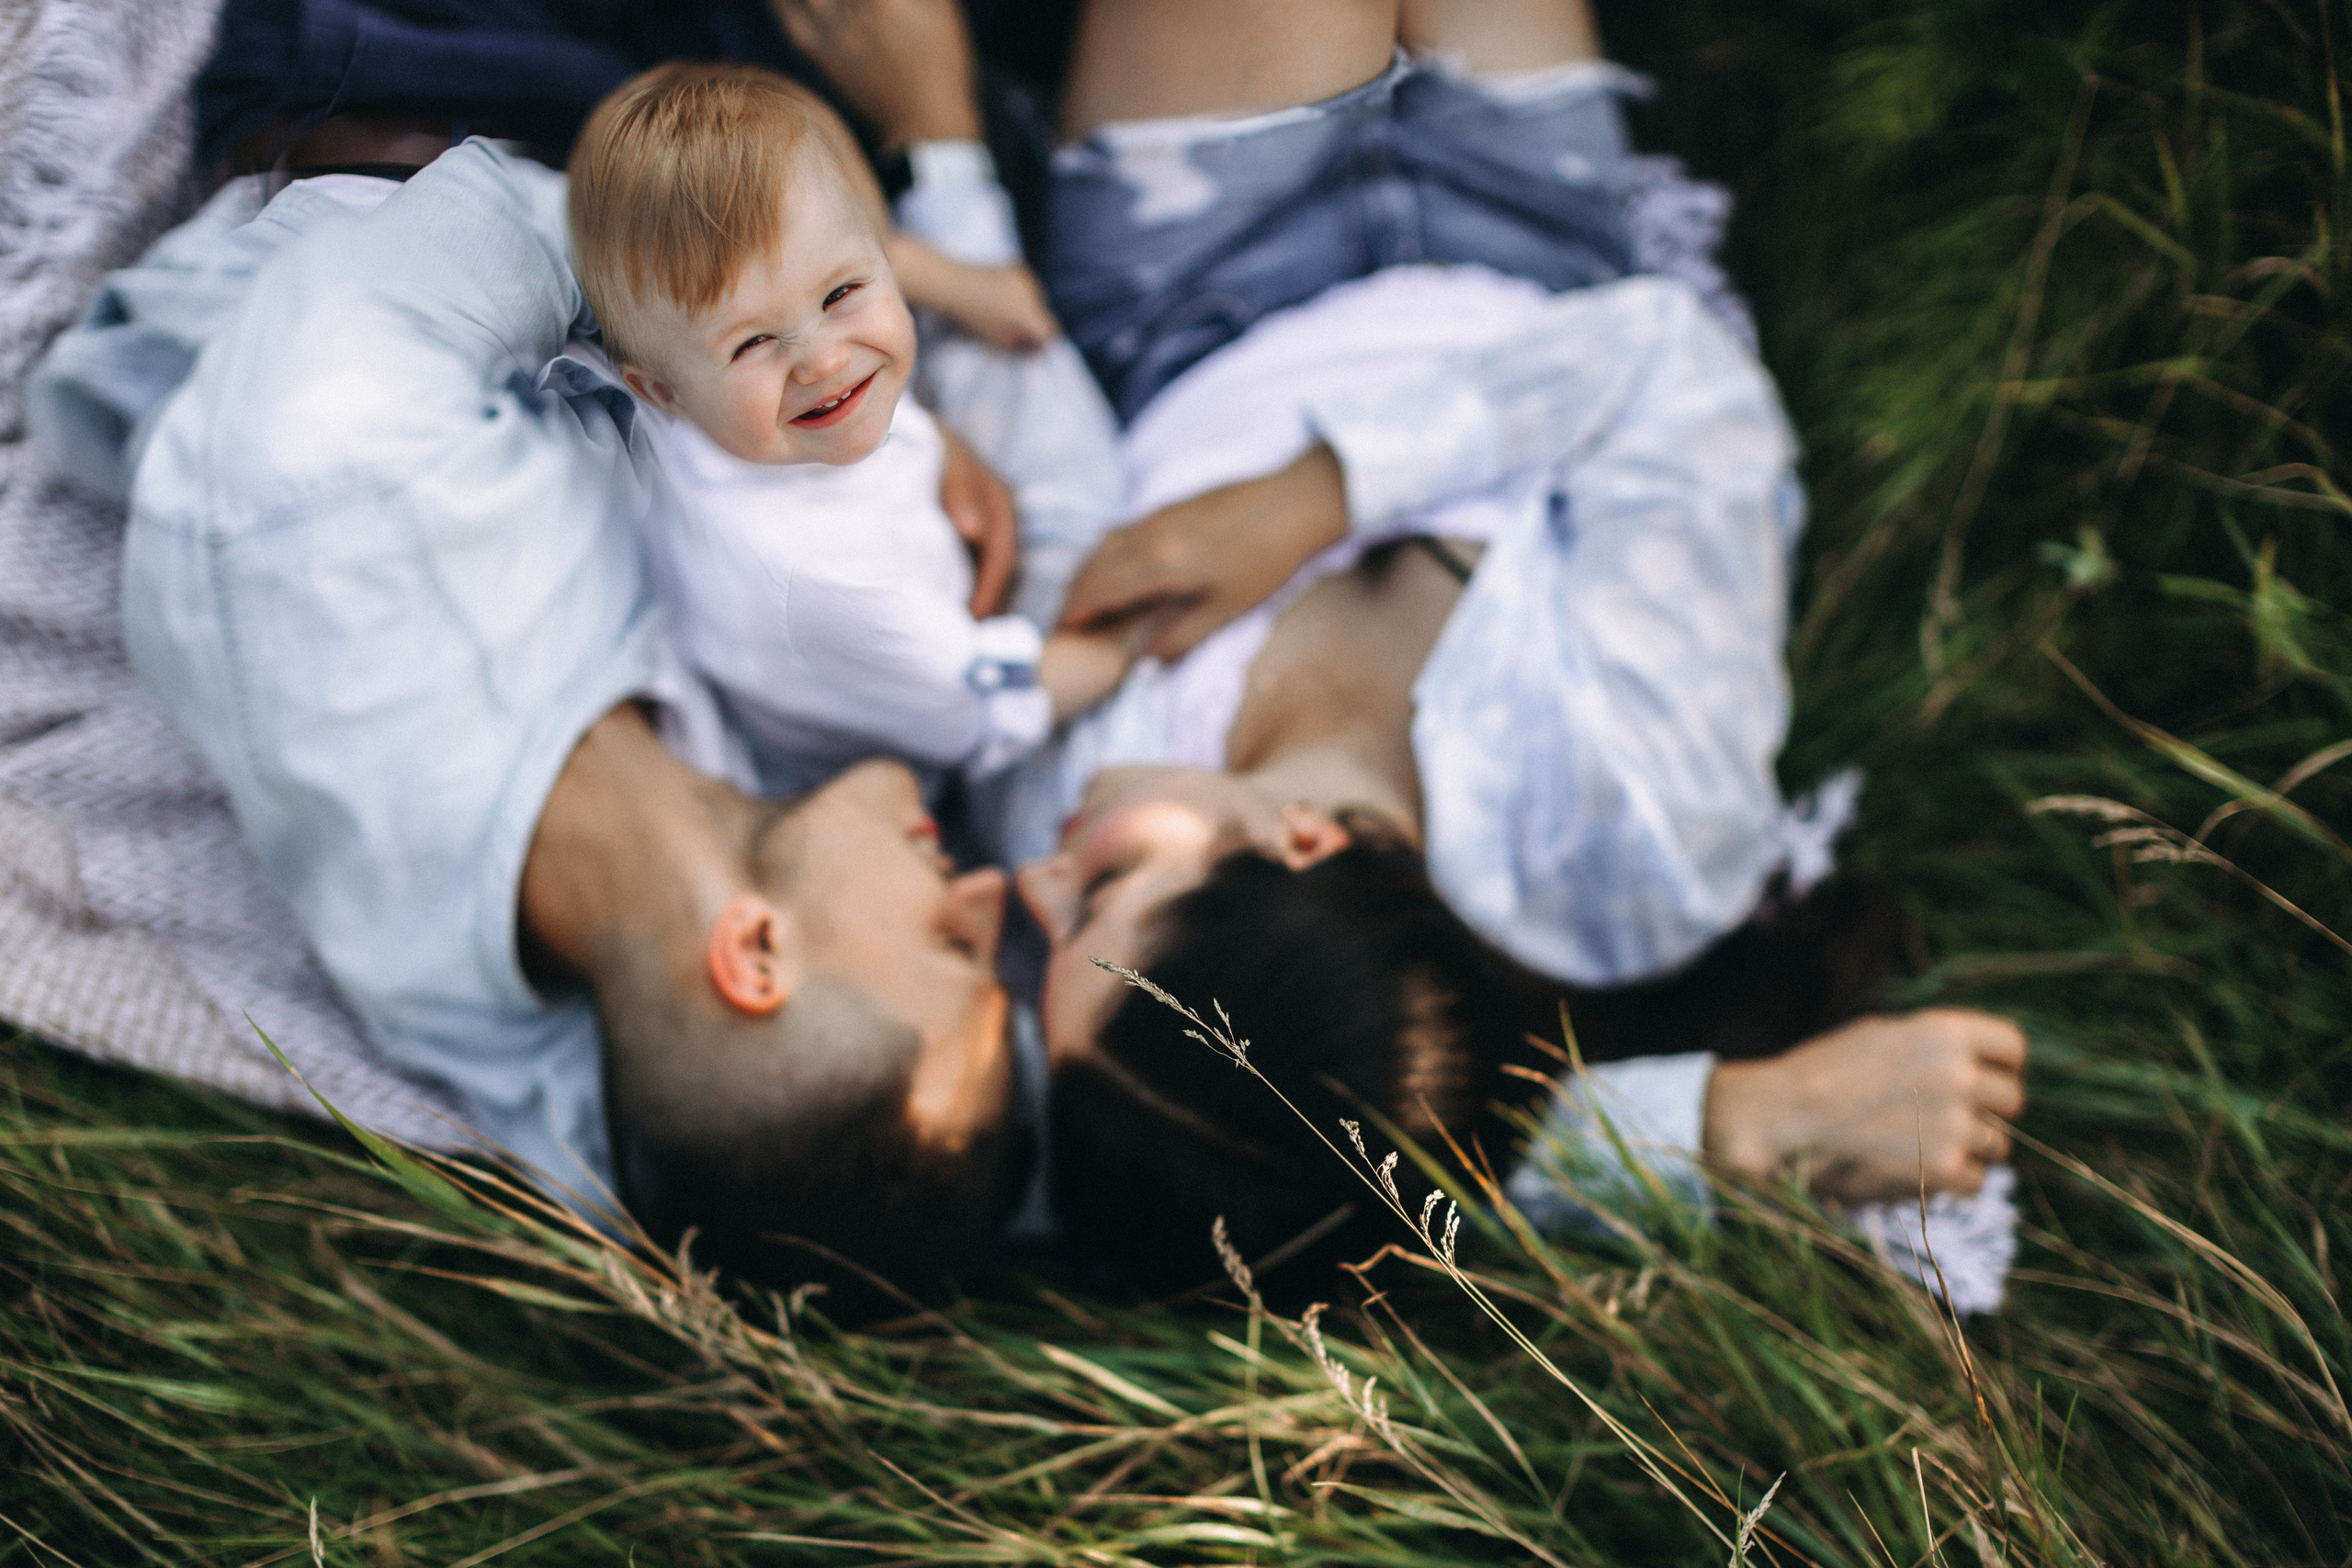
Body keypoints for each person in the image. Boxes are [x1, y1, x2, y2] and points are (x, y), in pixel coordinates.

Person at [997, 0, 2030, 1294]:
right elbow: (1670, 375)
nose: (1025, 892)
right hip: (1524, 231)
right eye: (1095, 895)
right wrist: (1320, 493)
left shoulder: (1079, 796)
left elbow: (1271, 1185)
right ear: (1302, 841)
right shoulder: (1639, 833)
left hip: (1195, 289)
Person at [565, 62, 1130, 795]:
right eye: (753, 344)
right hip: (936, 728)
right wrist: (1129, 649)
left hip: (923, 580)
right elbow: (991, 708)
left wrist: (942, 424)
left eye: (841, 292)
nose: (825, 359)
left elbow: (807, 255)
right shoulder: (826, 584)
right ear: (660, 391)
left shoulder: (730, 397)